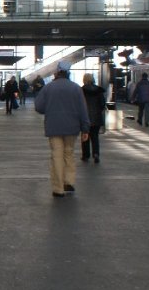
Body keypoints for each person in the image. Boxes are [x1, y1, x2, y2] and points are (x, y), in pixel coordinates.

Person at [34, 61, 90, 198]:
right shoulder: (76, 88)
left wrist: (50, 108)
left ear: (57, 72)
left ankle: (58, 188)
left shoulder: (48, 87)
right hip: (72, 127)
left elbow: (39, 107)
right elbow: (83, 110)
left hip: (54, 127)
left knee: (57, 155)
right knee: (69, 153)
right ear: (68, 72)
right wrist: (85, 128)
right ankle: (69, 182)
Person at [80, 73, 106, 163]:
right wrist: (98, 111)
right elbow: (102, 104)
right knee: (95, 137)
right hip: (96, 117)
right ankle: (96, 154)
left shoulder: (81, 91)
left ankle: (85, 155)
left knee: (85, 136)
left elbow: (79, 104)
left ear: (84, 80)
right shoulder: (98, 90)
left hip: (85, 117)